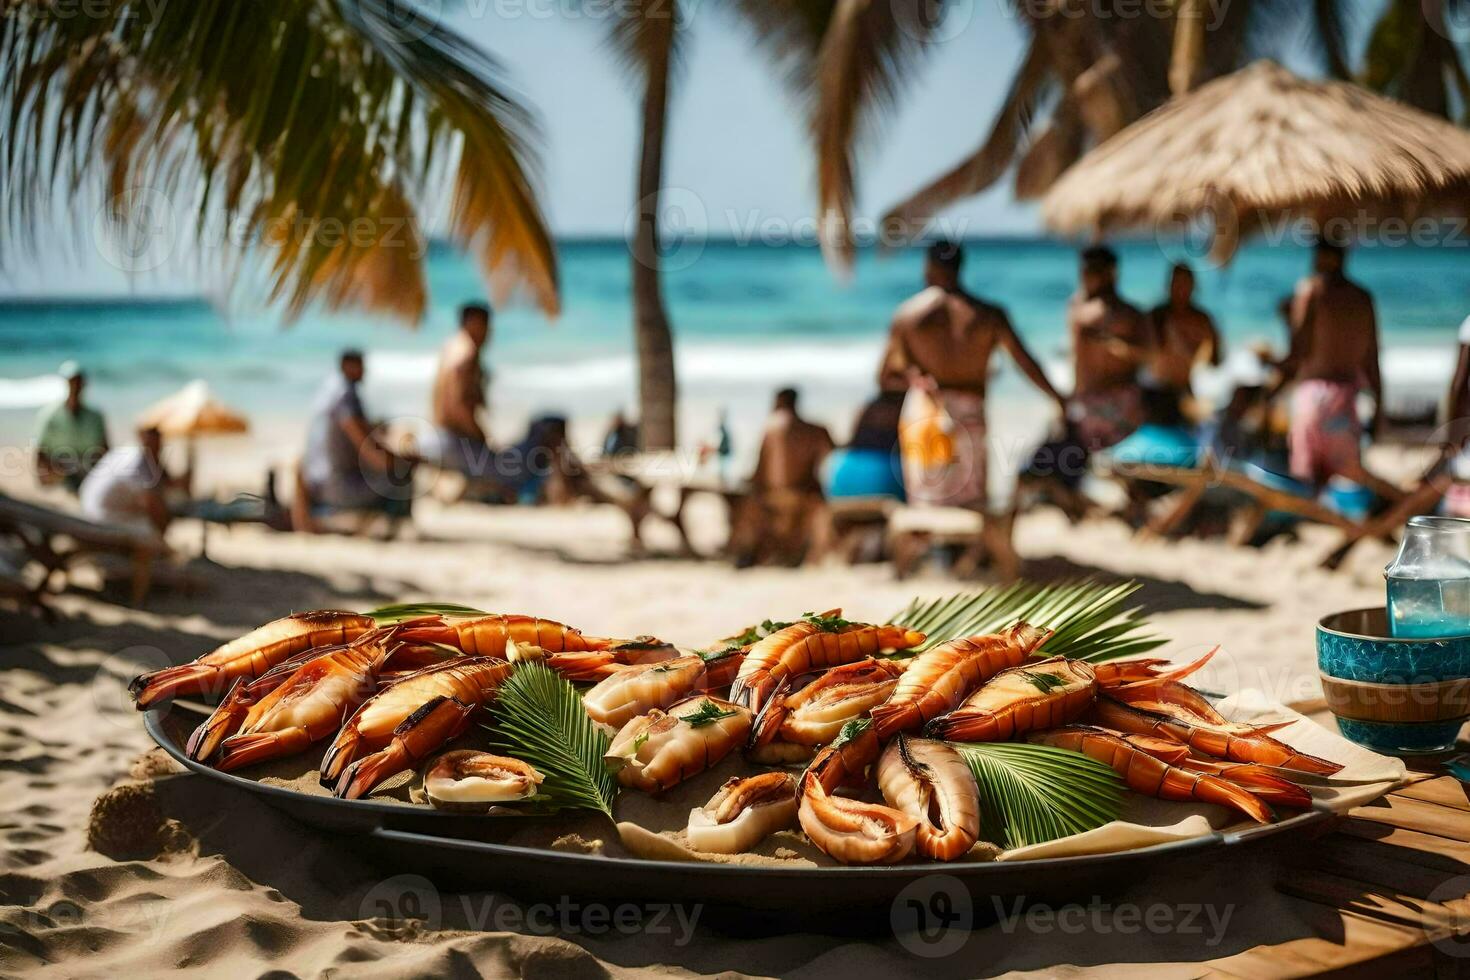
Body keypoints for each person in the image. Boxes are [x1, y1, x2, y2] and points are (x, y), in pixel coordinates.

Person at [880, 240, 1066, 509]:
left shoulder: (907, 316)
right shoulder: (989, 315)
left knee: (926, 499)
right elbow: (1025, 363)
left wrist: (914, 379)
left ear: (929, 267)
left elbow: (885, 377)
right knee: (972, 500)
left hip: (925, 413)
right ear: (960, 267)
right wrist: (1056, 396)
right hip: (971, 412)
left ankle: (932, 549)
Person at [1269, 239, 1401, 500]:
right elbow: (1372, 358)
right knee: (1345, 478)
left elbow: (1298, 353)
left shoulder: (1311, 290)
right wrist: (1379, 406)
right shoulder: (1363, 298)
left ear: (1321, 256)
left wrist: (1271, 376)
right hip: (1347, 398)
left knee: (1305, 480)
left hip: (1312, 397)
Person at [298, 350, 411, 526]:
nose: (364, 371)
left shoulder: (328, 390)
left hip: (316, 480)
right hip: (336, 486)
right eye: (360, 366)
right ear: (348, 366)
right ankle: (389, 527)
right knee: (402, 476)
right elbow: (368, 450)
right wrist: (400, 462)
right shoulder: (346, 396)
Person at [728, 388, 834, 566]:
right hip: (804, 496)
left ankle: (749, 552)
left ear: (778, 402)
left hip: (775, 497)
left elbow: (759, 472)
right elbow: (833, 459)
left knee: (741, 503)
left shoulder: (771, 428)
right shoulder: (816, 431)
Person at [1067, 246, 1150, 450]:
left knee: (1095, 469)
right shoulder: (1132, 314)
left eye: (1087, 271)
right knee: (1123, 469)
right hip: (1123, 402)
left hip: (1093, 403)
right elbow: (1151, 356)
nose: (1083, 277)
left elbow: (1077, 362)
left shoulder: (1079, 312)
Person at [1144, 264, 1222, 421]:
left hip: (1186, 387)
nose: (1181, 289)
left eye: (1184, 284)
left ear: (1193, 286)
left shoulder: (1202, 320)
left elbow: (1215, 359)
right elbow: (1150, 357)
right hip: (1158, 389)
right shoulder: (1157, 316)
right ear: (1170, 285)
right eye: (1177, 283)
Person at [79, 427, 187, 536]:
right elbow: (152, 504)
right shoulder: (137, 461)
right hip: (102, 515)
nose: (159, 447)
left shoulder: (129, 450)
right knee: (150, 529)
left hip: (89, 506)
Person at [428, 303, 494, 479]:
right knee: (510, 471)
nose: (490, 332)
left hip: (438, 435)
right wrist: (481, 438)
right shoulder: (467, 353)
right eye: (486, 325)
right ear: (474, 323)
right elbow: (458, 405)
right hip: (454, 442)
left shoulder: (452, 345)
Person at [35, 361, 109, 492]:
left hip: (87, 470)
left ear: (84, 384)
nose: (75, 386)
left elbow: (105, 449)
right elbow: (40, 451)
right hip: (58, 469)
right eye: (72, 382)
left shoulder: (95, 416)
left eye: (78, 382)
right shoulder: (49, 414)